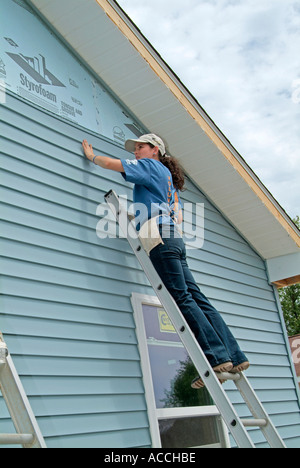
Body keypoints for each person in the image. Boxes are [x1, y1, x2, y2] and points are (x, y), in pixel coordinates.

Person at [82, 134, 249, 389]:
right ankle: (234, 356)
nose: (136, 151)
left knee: (181, 298)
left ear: (155, 150)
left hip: (160, 237)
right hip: (174, 237)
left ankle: (216, 358)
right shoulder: (168, 179)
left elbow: (111, 164)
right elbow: (178, 217)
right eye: (135, 148)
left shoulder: (150, 166)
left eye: (140, 147)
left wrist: (91, 156)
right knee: (196, 297)